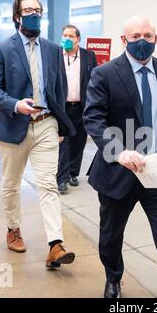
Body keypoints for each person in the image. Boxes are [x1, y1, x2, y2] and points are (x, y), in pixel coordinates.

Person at [83, 15, 157, 298]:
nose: (142, 42)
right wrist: (119, 152)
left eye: (148, 36)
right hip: (119, 171)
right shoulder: (105, 73)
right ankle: (113, 277)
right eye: (135, 37)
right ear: (124, 40)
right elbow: (93, 119)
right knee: (111, 236)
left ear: (156, 39)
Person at [0, 0, 76, 269]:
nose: (34, 14)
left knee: (47, 183)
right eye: (28, 11)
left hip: (46, 123)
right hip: (14, 126)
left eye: (38, 10)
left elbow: (58, 89)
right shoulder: (2, 48)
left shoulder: (52, 49)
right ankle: (13, 229)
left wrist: (59, 124)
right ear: (17, 16)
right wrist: (16, 105)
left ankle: (55, 245)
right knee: (11, 183)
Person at [57, 25, 98, 195]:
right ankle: (62, 179)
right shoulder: (56, 55)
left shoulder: (89, 56)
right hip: (63, 107)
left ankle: (73, 173)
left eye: (70, 36)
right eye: (64, 35)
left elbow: (95, 81)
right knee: (63, 143)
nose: (67, 38)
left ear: (78, 39)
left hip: (82, 107)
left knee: (78, 142)